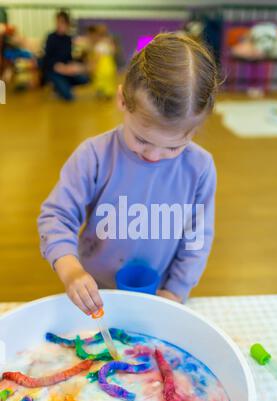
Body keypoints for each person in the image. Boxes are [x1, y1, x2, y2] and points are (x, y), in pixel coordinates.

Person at [38, 33, 218, 315]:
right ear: (122, 100)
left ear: (195, 130)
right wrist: (70, 270)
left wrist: (176, 290)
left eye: (173, 146)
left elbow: (197, 238)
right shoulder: (94, 155)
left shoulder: (200, 168)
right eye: (142, 139)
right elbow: (57, 215)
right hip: (94, 291)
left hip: (159, 294)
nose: (153, 155)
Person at [43, 10, 88, 101]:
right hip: (54, 70)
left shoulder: (68, 39)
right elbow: (47, 59)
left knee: (84, 79)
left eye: (62, 22)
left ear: (67, 24)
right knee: (69, 97)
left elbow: (69, 57)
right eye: (58, 22)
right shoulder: (50, 38)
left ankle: (63, 84)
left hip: (66, 69)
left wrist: (74, 66)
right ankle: (58, 86)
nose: (60, 25)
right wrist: (59, 67)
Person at [86, 24, 117, 99]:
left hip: (101, 67)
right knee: (108, 81)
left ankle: (101, 93)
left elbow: (97, 58)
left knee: (100, 81)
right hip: (110, 66)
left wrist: (93, 66)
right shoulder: (109, 43)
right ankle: (108, 93)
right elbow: (114, 52)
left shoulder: (98, 45)